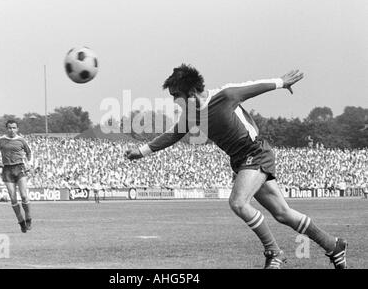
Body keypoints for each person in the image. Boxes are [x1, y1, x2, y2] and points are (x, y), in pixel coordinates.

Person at [125, 64, 347, 269]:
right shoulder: (191, 115)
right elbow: (173, 134)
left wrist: (281, 82)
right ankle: (333, 245)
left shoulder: (226, 95)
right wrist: (142, 152)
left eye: (177, 96)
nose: (175, 101)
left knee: (238, 203)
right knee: (283, 213)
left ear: (191, 92)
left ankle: (274, 252)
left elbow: (253, 87)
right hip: (241, 162)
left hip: (256, 153)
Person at [0, 120, 32, 233]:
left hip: (19, 168)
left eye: (14, 128)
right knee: (13, 197)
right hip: (7, 169)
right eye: (10, 128)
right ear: (7, 129)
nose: (12, 130)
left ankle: (28, 217)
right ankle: (21, 222)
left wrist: (29, 164)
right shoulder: (1, 140)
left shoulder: (21, 140)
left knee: (24, 196)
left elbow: (29, 153)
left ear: (17, 129)